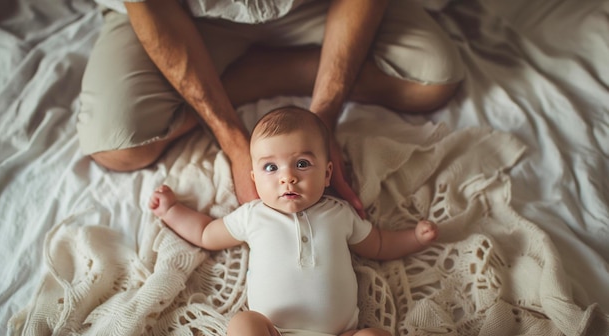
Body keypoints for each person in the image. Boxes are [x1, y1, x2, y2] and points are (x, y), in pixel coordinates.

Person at [78, 0, 465, 217]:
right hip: (186, 18)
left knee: (432, 85)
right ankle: (285, 68)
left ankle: (267, 71)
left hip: (317, 8)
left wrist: (323, 118)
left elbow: (373, 241)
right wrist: (230, 139)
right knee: (120, 148)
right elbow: (213, 234)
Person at [148, 106, 439, 336]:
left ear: (327, 174)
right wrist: (172, 211)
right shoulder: (253, 215)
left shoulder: (340, 213)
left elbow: (377, 243)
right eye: (271, 168)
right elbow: (205, 233)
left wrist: (414, 238)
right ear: (254, 178)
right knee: (242, 325)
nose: (287, 178)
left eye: (301, 164)